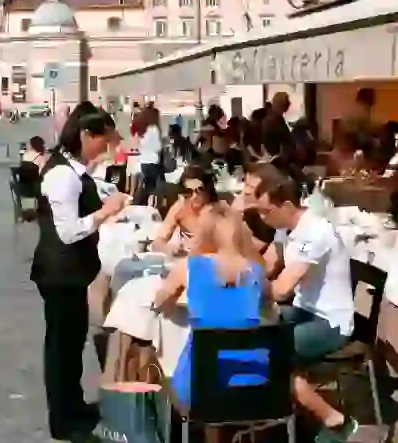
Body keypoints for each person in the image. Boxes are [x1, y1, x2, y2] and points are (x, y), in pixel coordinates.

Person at [33, 107, 128, 441]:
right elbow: (69, 232)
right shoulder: (61, 175)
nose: (105, 147)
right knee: (61, 347)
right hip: (60, 272)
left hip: (72, 273)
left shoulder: (75, 170)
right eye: (103, 139)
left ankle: (72, 406)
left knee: (72, 344)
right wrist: (105, 212)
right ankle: (63, 419)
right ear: (86, 136)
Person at [252, 165, 359, 441]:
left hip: (330, 322)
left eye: (266, 211)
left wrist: (243, 289)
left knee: (269, 351)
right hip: (305, 311)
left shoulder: (315, 232)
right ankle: (289, 411)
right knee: (253, 332)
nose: (263, 218)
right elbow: (265, 266)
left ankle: (335, 420)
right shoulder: (285, 228)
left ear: (286, 205)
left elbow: (282, 288)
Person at [154, 208, 269, 419]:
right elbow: (267, 307)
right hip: (257, 380)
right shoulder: (256, 272)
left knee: (165, 361)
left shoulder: (188, 267)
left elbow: (160, 302)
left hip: (202, 383)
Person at [150, 166, 218, 255]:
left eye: (199, 190)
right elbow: (157, 243)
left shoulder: (220, 209)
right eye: (189, 192)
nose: (194, 196)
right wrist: (168, 249)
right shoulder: (181, 207)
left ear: (208, 190)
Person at [131, 106, 164, 205]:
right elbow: (157, 147)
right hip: (153, 161)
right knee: (152, 187)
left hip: (143, 161)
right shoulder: (154, 129)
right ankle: (142, 203)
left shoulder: (144, 130)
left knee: (146, 185)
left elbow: (140, 144)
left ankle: (140, 203)